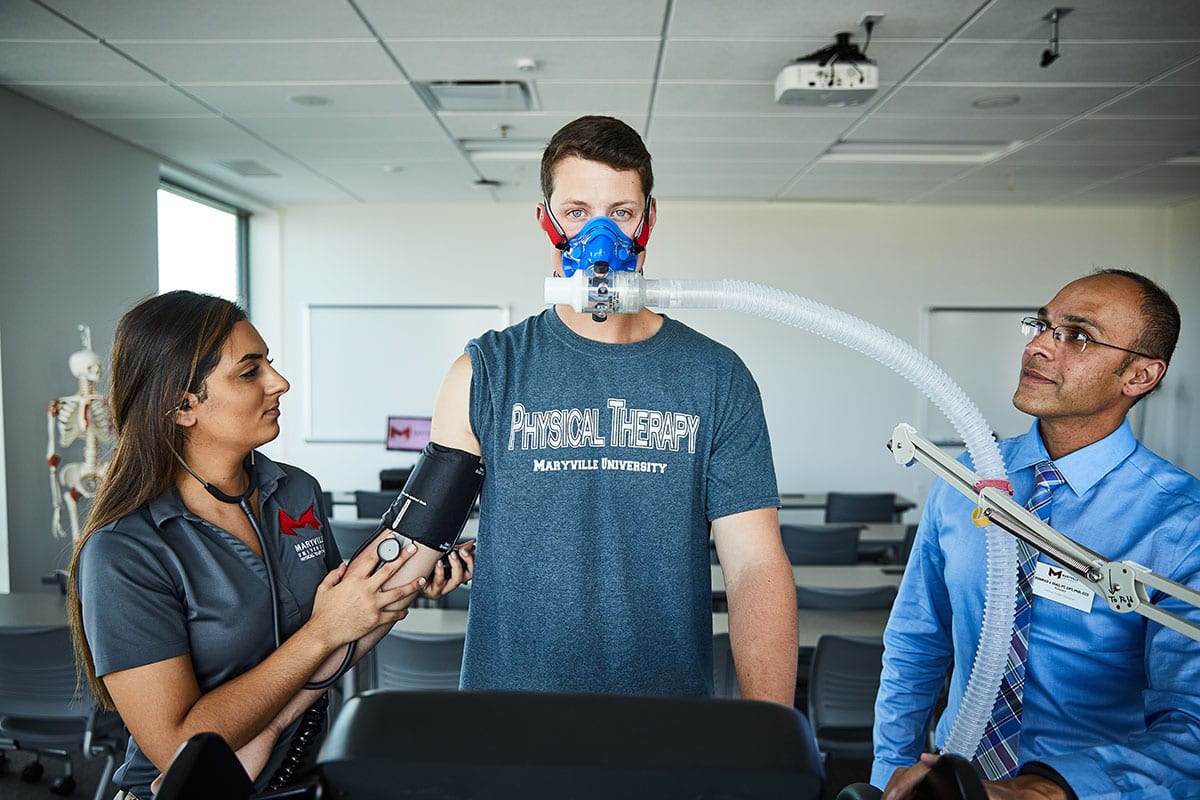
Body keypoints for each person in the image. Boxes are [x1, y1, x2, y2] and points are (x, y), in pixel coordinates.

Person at [428, 115, 798, 703]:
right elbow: (420, 539)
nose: (599, 238)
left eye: (621, 213)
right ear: (545, 221)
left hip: (664, 715)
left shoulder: (716, 376)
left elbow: (755, 566)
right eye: (576, 212)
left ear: (649, 218)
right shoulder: (485, 371)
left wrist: (773, 736)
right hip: (509, 715)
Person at [67, 291, 472, 799]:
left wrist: (391, 594)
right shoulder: (125, 552)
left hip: (304, 780)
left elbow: (346, 623)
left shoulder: (294, 490)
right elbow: (179, 747)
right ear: (181, 405)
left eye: (270, 364)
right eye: (249, 372)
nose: (279, 383)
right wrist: (324, 631)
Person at [872, 270, 1200, 799]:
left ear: (1139, 376)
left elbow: (1192, 723)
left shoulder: (1181, 522)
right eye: (1042, 325)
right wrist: (888, 771)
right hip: (954, 783)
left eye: (1078, 335)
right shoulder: (967, 480)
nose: (1041, 347)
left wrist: (1045, 791)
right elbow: (916, 642)